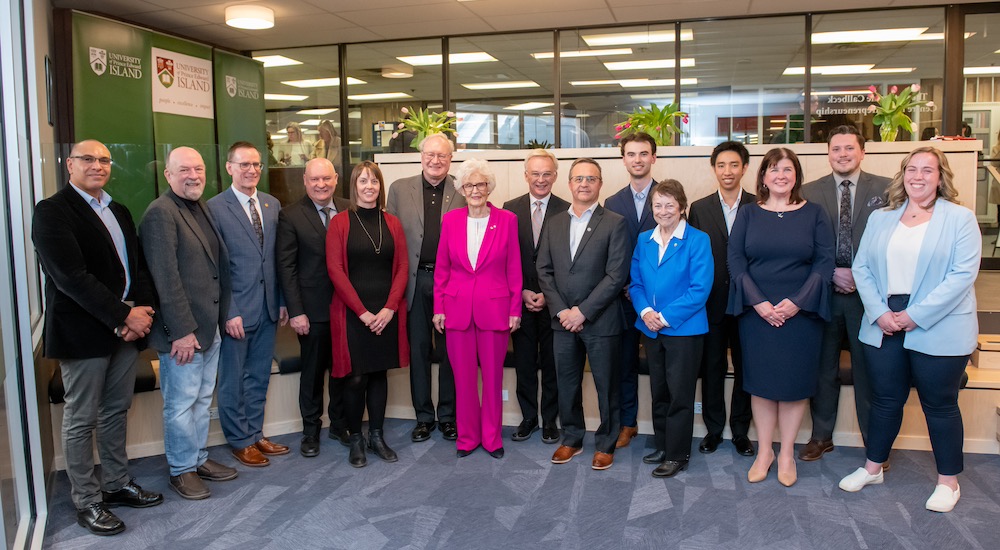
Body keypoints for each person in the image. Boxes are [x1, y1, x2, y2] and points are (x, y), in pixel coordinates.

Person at [839, 147, 980, 513]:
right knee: (885, 400)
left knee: (940, 404)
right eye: (911, 170)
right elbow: (863, 268)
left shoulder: (959, 219)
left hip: (940, 322)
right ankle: (873, 468)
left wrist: (913, 316)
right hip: (885, 318)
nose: (918, 176)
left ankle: (948, 482)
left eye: (927, 170)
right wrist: (880, 312)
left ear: (940, 176)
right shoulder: (882, 218)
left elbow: (961, 277)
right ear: (902, 175)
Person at [33, 140, 162, 535]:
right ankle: (87, 502)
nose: (97, 165)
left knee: (114, 410)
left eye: (104, 159)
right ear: (70, 164)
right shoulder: (52, 212)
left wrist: (142, 313)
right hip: (84, 332)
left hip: (125, 330)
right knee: (81, 418)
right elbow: (71, 278)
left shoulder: (117, 209)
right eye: (87, 159)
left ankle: (117, 484)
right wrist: (123, 316)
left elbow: (136, 267)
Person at [727, 147, 834, 487]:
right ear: (762, 177)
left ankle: (786, 453)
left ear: (796, 176)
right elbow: (736, 261)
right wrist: (758, 303)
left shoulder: (815, 213)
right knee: (760, 386)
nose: (780, 176)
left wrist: (796, 303)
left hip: (801, 315)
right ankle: (765, 452)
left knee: (792, 387)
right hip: (756, 314)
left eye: (787, 169)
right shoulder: (747, 213)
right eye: (773, 169)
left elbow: (824, 263)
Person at [141, 146, 238, 501]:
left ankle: (198, 458)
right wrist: (181, 332)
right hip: (184, 332)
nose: (193, 175)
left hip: (208, 327)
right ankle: (182, 470)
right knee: (180, 404)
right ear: (168, 174)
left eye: (197, 169)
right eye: (184, 170)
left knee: (199, 400)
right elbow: (165, 279)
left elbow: (215, 267)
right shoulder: (160, 214)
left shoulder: (200, 207)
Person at [800, 125, 891, 463]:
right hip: (823, 292)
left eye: (849, 148)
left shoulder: (887, 188)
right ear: (828, 153)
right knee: (822, 367)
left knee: (868, 369)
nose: (842, 154)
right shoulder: (808, 191)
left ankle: (874, 441)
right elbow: (802, 243)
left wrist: (858, 274)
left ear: (862, 152)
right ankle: (821, 436)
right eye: (836, 149)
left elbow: (891, 241)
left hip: (869, 298)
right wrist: (831, 273)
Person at [537, 158, 630, 471]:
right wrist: (563, 311)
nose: (584, 184)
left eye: (591, 179)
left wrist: (583, 312)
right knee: (567, 383)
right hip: (562, 321)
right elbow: (544, 270)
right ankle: (572, 438)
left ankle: (606, 443)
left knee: (607, 385)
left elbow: (616, 275)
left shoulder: (615, 222)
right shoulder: (555, 223)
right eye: (579, 178)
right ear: (570, 183)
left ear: (600, 184)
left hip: (601, 320)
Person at [433, 159, 522, 459]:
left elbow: (514, 269)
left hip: (495, 310)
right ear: (461, 188)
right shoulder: (451, 220)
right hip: (457, 310)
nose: (475, 190)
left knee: (494, 377)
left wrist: (515, 310)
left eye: (481, 184)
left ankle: (492, 438)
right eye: (469, 184)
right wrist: (439, 307)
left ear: (489, 187)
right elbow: (442, 268)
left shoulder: (507, 219)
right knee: (464, 379)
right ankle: (468, 438)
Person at [207, 142, 289, 468]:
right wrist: (229, 311)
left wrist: (281, 302)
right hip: (236, 312)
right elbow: (215, 268)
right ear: (229, 168)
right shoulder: (214, 208)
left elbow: (278, 261)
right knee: (233, 380)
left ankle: (256, 433)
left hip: (268, 308)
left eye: (256, 164)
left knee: (258, 377)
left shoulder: (272, 204)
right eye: (244, 165)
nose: (251, 170)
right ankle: (239, 440)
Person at [327, 161, 410, 467]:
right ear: (354, 186)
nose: (369, 186)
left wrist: (389, 309)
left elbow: (402, 268)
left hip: (386, 312)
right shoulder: (340, 223)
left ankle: (376, 436)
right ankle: (356, 439)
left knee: (378, 374)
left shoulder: (393, 223)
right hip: (353, 313)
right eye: (363, 181)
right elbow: (335, 271)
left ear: (380, 186)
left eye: (374, 181)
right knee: (355, 377)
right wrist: (363, 313)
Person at [386, 133, 466, 443]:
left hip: (451, 283)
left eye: (442, 156)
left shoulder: (462, 187)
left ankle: (448, 416)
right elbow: (390, 239)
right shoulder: (398, 189)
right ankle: (423, 417)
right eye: (430, 155)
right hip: (413, 280)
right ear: (421, 157)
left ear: (451, 158)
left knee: (449, 353)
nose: (436, 161)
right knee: (418, 349)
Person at [630, 180, 713, 478]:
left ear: (682, 208)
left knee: (680, 394)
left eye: (669, 205)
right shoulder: (644, 240)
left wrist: (663, 317)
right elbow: (636, 283)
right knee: (659, 391)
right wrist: (646, 311)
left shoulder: (698, 240)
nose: (663, 211)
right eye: (658, 205)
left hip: (684, 331)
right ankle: (664, 445)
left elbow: (699, 289)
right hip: (651, 329)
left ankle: (678, 455)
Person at [276, 158, 351, 457]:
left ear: (335, 179)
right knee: (312, 373)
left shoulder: (350, 208)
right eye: (314, 179)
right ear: (305, 181)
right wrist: (296, 311)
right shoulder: (290, 216)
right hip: (312, 311)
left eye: (326, 179)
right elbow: (287, 267)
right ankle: (310, 431)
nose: (321, 185)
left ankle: (339, 423)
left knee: (343, 370)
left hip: (348, 309)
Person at [687, 141, 756, 457]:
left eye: (733, 165)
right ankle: (714, 431)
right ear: (713, 169)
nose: (727, 171)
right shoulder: (699, 209)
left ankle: (740, 431)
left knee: (747, 369)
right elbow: (693, 258)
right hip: (710, 303)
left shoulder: (759, 206)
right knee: (711, 368)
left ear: (744, 167)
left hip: (749, 303)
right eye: (721, 165)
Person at [502, 149, 569, 444]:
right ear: (526, 176)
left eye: (546, 174)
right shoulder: (509, 208)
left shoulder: (568, 209)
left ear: (554, 176)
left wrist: (547, 294)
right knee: (525, 363)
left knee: (553, 364)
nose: (540, 179)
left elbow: (568, 260)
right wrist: (523, 292)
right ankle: (529, 417)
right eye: (535, 173)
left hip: (555, 302)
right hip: (521, 300)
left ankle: (550, 420)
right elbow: (505, 257)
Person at [603, 132, 658, 449]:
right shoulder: (612, 202)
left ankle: (662, 426)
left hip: (658, 302)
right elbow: (609, 253)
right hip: (622, 300)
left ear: (653, 157)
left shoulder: (668, 197)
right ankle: (627, 422)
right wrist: (624, 286)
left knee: (661, 367)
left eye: (643, 153)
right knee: (623, 365)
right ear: (623, 159)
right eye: (631, 154)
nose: (637, 159)